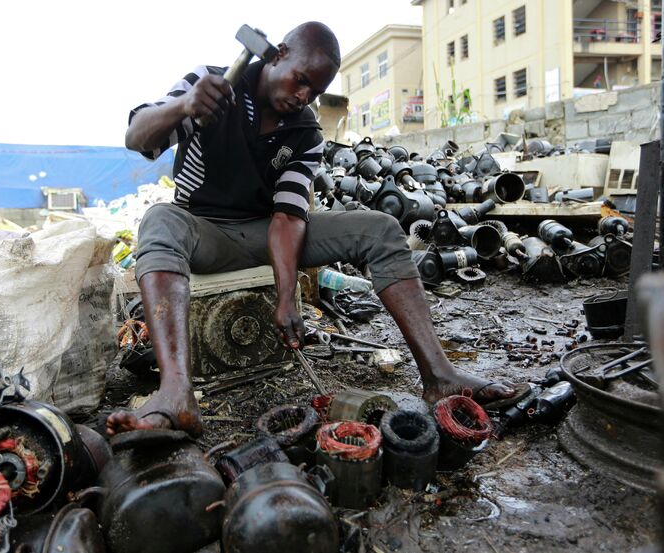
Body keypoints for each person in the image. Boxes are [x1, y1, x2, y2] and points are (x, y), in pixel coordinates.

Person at [106, 21, 515, 438]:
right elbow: (137, 137)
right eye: (301, 80)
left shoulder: (304, 131)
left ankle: (438, 374)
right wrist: (185, 106)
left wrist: (288, 298)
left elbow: (287, 216)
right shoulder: (211, 87)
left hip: (267, 231)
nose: (303, 96)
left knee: (382, 229)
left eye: (314, 92)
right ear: (278, 53)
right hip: (204, 232)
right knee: (160, 218)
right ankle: (176, 393)